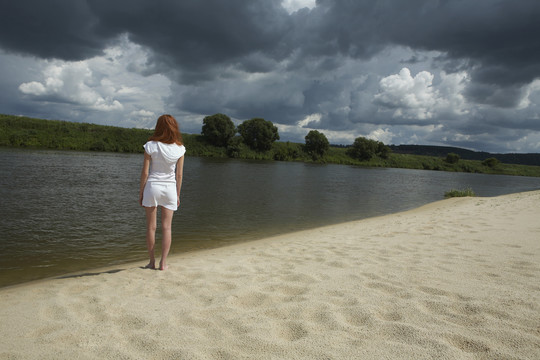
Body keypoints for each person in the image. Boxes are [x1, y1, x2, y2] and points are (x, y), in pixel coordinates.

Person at [139, 114, 186, 270]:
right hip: (170, 188)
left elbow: (145, 172)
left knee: (151, 227)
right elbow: (179, 175)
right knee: (167, 227)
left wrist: (141, 193)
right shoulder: (180, 148)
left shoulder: (150, 145)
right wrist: (178, 195)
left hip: (152, 186)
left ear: (158, 127)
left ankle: (152, 262)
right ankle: (163, 263)